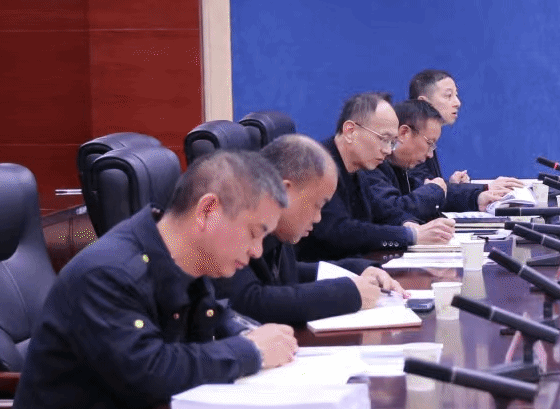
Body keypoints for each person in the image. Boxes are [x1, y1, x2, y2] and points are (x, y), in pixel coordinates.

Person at [6, 150, 299, 409]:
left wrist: (246, 332)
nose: (257, 251)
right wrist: (251, 350)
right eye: (254, 233)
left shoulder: (185, 262)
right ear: (207, 211)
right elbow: (150, 372)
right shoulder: (108, 274)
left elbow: (209, 316)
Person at [214, 134, 401, 328]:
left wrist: (357, 269)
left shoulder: (275, 226)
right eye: (317, 205)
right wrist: (348, 293)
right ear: (284, 191)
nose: (318, 218)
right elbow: (248, 301)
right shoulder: (233, 217)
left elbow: (288, 273)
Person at [299, 92, 455, 261]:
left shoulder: (359, 168)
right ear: (350, 131)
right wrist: (410, 235)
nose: (388, 150)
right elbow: (339, 231)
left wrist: (408, 224)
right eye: (384, 139)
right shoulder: (318, 165)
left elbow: (382, 211)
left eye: (392, 142)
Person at [368, 98, 516, 223]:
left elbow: (431, 191)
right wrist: (433, 190)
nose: (430, 155)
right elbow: (392, 212)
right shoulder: (371, 166)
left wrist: (476, 198)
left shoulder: (400, 168)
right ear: (404, 133)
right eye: (429, 143)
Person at [409, 68, 527, 199]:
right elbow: (422, 190)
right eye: (448, 96)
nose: (457, 103)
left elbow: (432, 191)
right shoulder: (411, 140)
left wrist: (453, 186)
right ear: (423, 102)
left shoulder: (426, 135)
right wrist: (485, 188)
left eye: (456, 95)